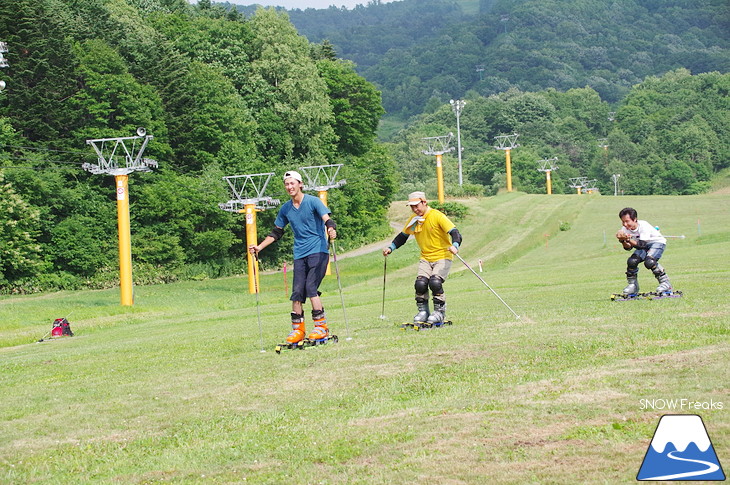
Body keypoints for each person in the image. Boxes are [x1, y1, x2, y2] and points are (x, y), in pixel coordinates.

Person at [249, 171, 337, 344]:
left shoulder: (312, 201)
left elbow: (328, 220)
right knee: (297, 292)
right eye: (287, 184)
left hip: (318, 251)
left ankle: (321, 327)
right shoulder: (286, 208)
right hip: (300, 254)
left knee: (311, 287)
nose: (289, 187)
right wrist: (259, 247)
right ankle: (298, 330)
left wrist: (331, 229)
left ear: (300, 184)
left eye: (292, 183)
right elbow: (276, 232)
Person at [383, 191, 462, 324]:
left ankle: (439, 312)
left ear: (424, 202)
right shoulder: (414, 219)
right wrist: (390, 248)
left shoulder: (437, 216)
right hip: (426, 257)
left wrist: (455, 245)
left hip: (443, 256)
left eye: (416, 205)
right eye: (412, 207)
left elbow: (455, 233)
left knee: (435, 282)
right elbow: (403, 237)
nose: (414, 209)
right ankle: (423, 312)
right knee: (420, 284)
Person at [616, 207, 673, 294]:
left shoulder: (643, 225)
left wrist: (628, 239)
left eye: (627, 221)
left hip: (656, 242)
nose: (625, 224)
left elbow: (641, 245)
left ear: (635, 219)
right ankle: (633, 286)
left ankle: (665, 284)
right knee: (632, 262)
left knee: (649, 261)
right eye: (623, 221)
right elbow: (628, 248)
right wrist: (622, 240)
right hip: (643, 246)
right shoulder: (624, 229)